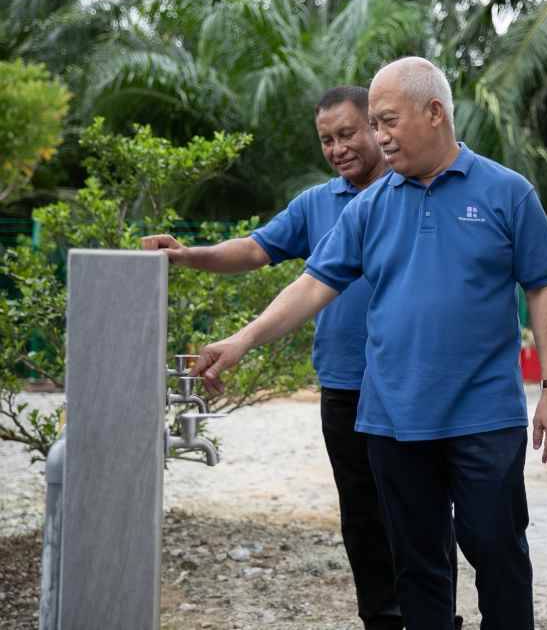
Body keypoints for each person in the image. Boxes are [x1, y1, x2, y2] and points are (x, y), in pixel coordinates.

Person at [189, 56, 547, 630]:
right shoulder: (369, 206)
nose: (379, 136)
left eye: (387, 121)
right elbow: (313, 286)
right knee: (416, 566)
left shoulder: (508, 193)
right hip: (392, 419)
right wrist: (242, 340)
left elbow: (542, 290)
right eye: (376, 123)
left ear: (435, 112)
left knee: (496, 552)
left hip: (483, 415)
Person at [142, 86, 411, 630]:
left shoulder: (417, 191)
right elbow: (255, 249)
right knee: (361, 519)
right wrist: (186, 255)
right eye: (326, 140)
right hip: (344, 385)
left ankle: (431, 617)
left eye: (347, 134)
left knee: (418, 513)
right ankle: (382, 620)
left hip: (410, 384)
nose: (337, 148)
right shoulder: (317, 204)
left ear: (378, 128)